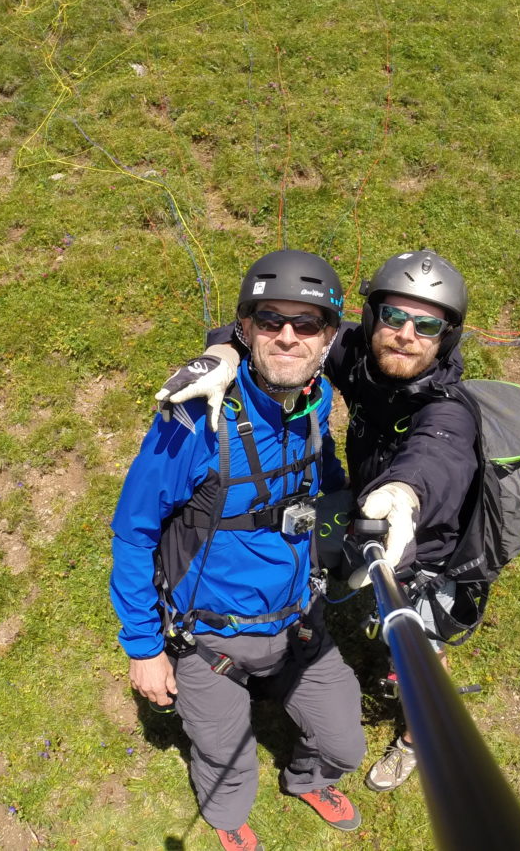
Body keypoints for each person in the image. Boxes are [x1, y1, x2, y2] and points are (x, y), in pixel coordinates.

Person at [158, 249, 482, 794]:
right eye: (394, 316)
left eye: (427, 325)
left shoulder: (447, 408)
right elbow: (274, 332)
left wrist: (405, 492)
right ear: (373, 315)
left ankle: (413, 737)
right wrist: (221, 353)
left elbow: (440, 454)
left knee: (418, 644)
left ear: (446, 338)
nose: (406, 334)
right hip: (367, 512)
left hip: (428, 540)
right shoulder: (360, 352)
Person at [113, 250, 365, 851]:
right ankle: (228, 819)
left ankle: (308, 779)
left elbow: (323, 473)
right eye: (270, 320)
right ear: (244, 328)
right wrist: (145, 650)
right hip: (210, 640)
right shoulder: (193, 421)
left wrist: (347, 528)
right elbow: (133, 534)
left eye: (307, 324)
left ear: (329, 338)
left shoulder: (317, 404)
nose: (287, 337)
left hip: (301, 622)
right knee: (226, 767)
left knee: (344, 746)